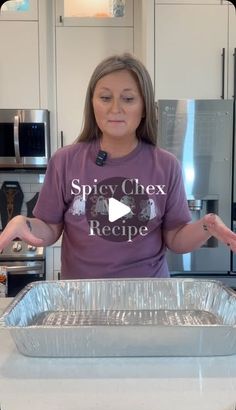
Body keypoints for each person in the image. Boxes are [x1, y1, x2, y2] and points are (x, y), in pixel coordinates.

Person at [0, 53, 236, 279]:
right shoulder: (64, 161)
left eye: (128, 98)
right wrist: (25, 223)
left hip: (147, 300)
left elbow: (175, 238)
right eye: (105, 98)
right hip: (84, 300)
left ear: (144, 107)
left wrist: (207, 226)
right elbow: (50, 229)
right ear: (92, 104)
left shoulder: (166, 165)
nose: (115, 108)